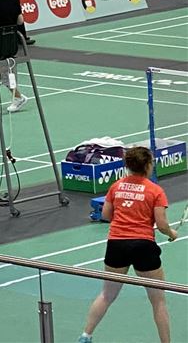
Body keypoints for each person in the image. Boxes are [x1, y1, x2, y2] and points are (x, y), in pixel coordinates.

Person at [78, 145, 178, 343]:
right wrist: (171, 233)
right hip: (143, 246)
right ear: (147, 165)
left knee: (106, 295)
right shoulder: (155, 190)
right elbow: (161, 224)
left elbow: (106, 215)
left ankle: (85, 335)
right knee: (158, 301)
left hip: (117, 244)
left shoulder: (116, 186)